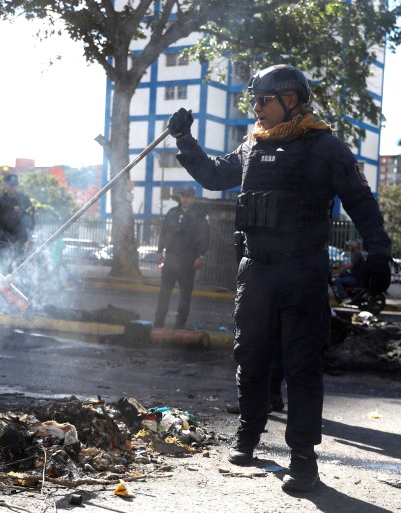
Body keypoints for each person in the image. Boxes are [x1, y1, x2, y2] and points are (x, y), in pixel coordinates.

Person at [166, 64, 392, 492]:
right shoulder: (253, 144)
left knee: (302, 364)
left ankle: (303, 460)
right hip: (255, 270)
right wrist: (184, 140)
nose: (256, 107)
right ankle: (247, 437)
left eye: (263, 99)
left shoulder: (324, 146)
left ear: (291, 99)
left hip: (303, 272)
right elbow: (215, 175)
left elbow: (361, 201)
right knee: (249, 356)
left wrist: (379, 252)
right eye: (254, 100)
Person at [153, 185, 209, 329]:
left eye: (188, 196)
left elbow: (204, 237)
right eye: (183, 196)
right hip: (170, 260)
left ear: (193, 198)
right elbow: (163, 233)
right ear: (180, 197)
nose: (185, 199)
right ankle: (158, 323)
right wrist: (159, 252)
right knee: (164, 293)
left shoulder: (199, 215)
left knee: (185, 296)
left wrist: (200, 256)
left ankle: (180, 324)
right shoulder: (172, 213)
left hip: (188, 262)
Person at [0, 174, 34, 270]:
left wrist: (28, 240)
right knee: (4, 267)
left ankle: (20, 284)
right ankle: (5, 284)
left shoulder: (23, 199)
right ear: (5, 185)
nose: (14, 187)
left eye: (16, 185)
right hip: (4, 239)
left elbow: (31, 221)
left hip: (20, 239)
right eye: (11, 185)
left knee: (20, 267)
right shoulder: (1, 202)